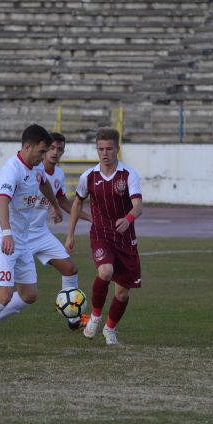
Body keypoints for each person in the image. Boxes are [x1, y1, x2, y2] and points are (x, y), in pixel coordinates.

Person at [0, 132, 92, 334]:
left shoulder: (55, 174)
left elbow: (62, 200)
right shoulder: (19, 169)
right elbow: (3, 198)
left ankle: (73, 318)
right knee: (4, 285)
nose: (55, 153)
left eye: (60, 149)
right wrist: (6, 231)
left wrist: (85, 216)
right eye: (51, 148)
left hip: (40, 232)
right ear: (42, 149)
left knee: (69, 269)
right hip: (19, 234)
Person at [0, 124, 64, 359]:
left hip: (23, 239)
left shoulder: (36, 167)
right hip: (2, 239)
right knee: (4, 295)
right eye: (41, 152)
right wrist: (7, 233)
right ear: (27, 147)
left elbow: (44, 184)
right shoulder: (12, 169)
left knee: (29, 295)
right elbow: (2, 201)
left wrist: (55, 204)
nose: (43, 157)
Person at [65, 128, 143, 345]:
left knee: (122, 294)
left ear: (117, 149)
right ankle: (95, 317)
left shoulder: (128, 175)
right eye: (100, 149)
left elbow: (138, 206)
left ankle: (110, 329)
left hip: (126, 239)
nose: (105, 153)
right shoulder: (88, 177)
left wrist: (128, 218)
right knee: (105, 271)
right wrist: (70, 234)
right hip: (100, 234)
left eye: (109, 148)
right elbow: (77, 203)